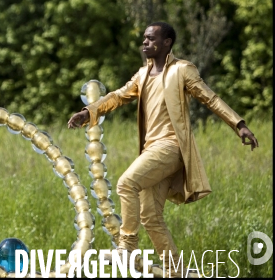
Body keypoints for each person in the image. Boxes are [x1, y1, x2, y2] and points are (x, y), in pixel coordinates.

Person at [67, 22, 259, 278]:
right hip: (151, 150)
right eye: (144, 39)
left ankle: (127, 248)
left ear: (167, 42)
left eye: (151, 38)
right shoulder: (142, 75)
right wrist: (87, 112)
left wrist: (239, 124)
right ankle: (175, 272)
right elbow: (117, 96)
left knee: (126, 183)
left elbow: (210, 98)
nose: (145, 42)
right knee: (151, 217)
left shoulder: (182, 70)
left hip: (171, 147)